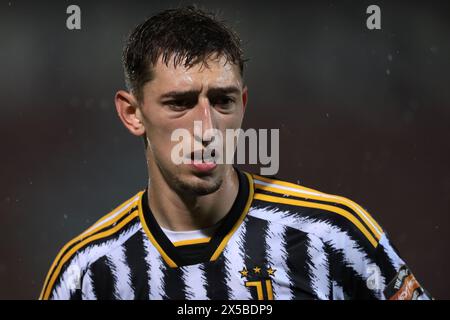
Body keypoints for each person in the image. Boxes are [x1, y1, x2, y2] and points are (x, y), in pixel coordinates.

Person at [40, 6, 431, 300]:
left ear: (243, 104)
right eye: (180, 103)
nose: (207, 127)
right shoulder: (86, 274)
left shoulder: (334, 236)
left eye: (223, 101)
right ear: (132, 113)